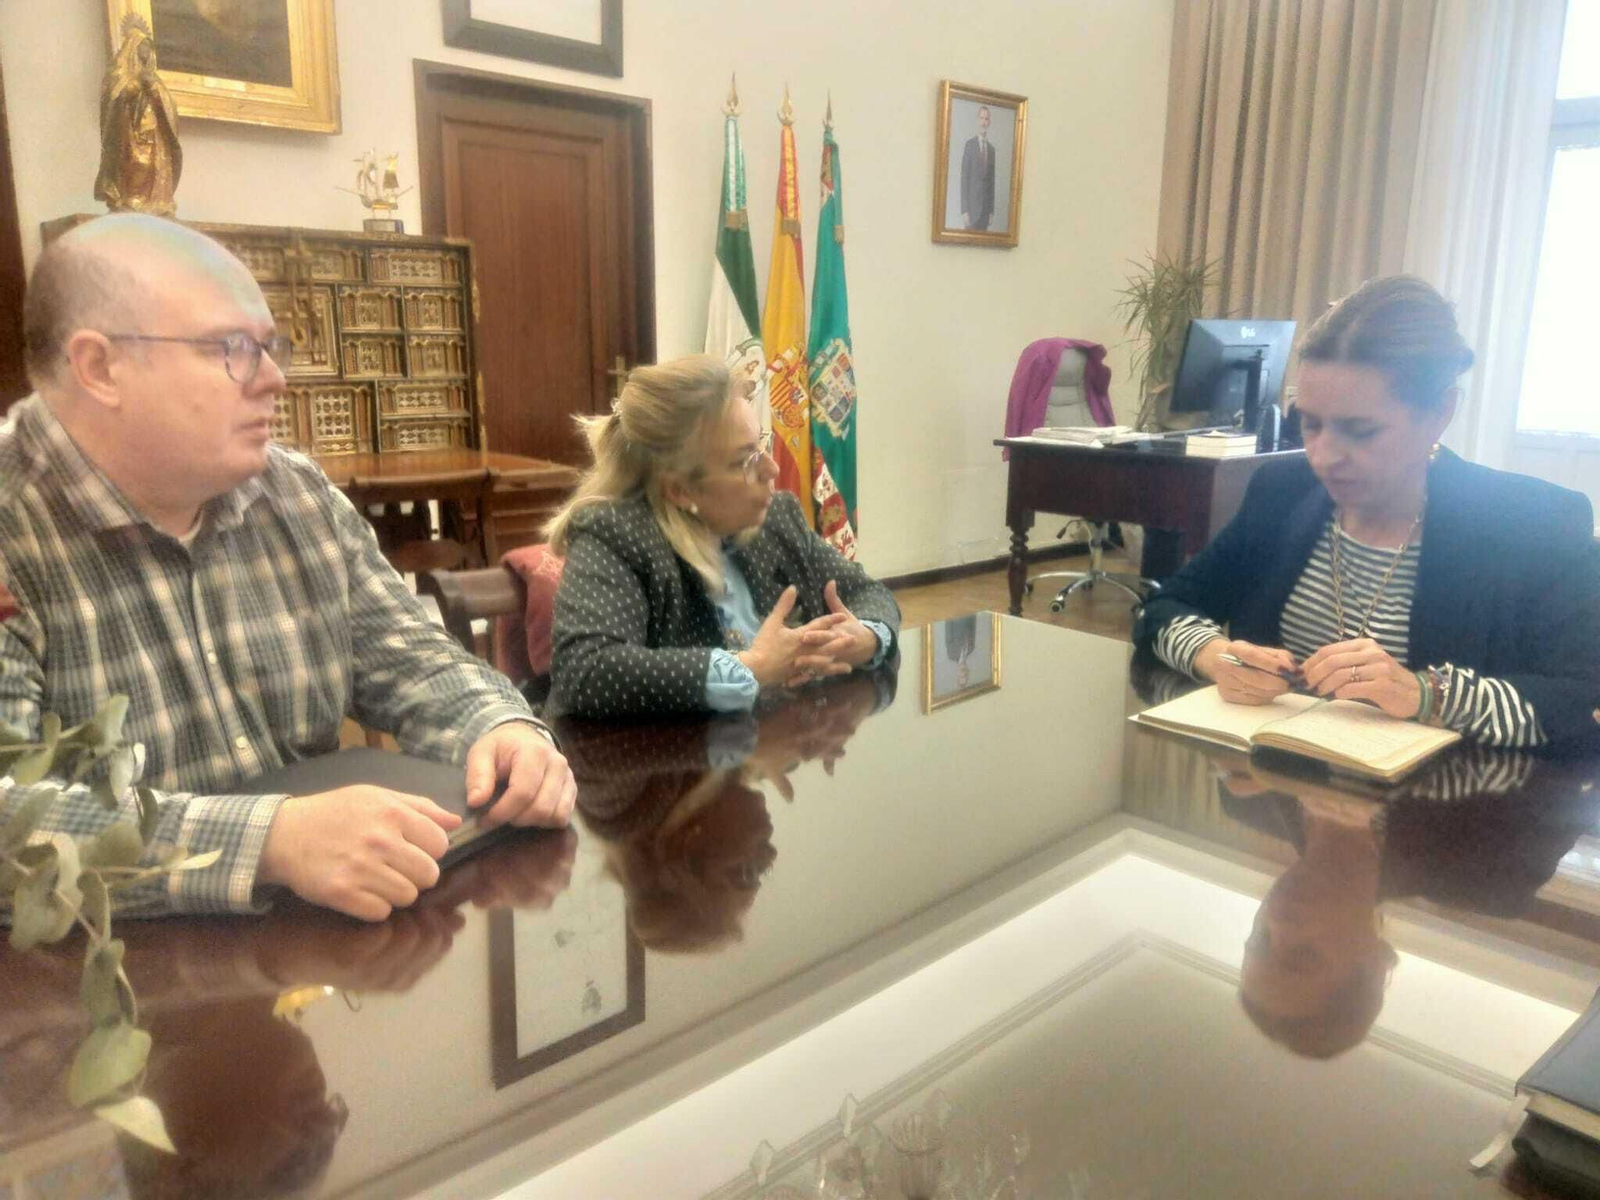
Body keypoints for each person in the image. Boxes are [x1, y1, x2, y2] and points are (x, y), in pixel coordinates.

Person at [0, 214, 574, 923]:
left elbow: (413, 661)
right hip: (94, 998)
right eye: (233, 349)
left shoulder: (292, 492)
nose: (274, 380)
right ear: (100, 367)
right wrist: (269, 840)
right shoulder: (12, 526)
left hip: (316, 963)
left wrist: (502, 728)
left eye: (272, 348)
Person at [1135, 275, 1600, 750]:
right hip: (1274, 799)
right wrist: (1215, 656)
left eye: (1360, 430)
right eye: (1310, 424)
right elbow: (1164, 608)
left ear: (1440, 412)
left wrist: (1426, 695)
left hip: (1448, 812)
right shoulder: (1281, 492)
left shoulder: (1536, 524)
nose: (1323, 456)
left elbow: (1583, 702)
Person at [544, 354, 900, 719]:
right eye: (745, 461)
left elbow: (867, 592)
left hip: (766, 749)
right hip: (651, 764)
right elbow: (585, 670)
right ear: (680, 490)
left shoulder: (778, 516)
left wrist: (864, 638)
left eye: (760, 444)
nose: (772, 468)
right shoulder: (615, 533)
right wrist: (749, 669)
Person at [959, 104, 997, 231]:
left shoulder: (992, 150)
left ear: (989, 122)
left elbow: (991, 182)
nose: (984, 122)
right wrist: (964, 211)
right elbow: (964, 179)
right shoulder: (969, 145)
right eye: (981, 118)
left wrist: (991, 211)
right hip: (971, 212)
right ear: (977, 120)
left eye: (986, 119)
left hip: (985, 213)